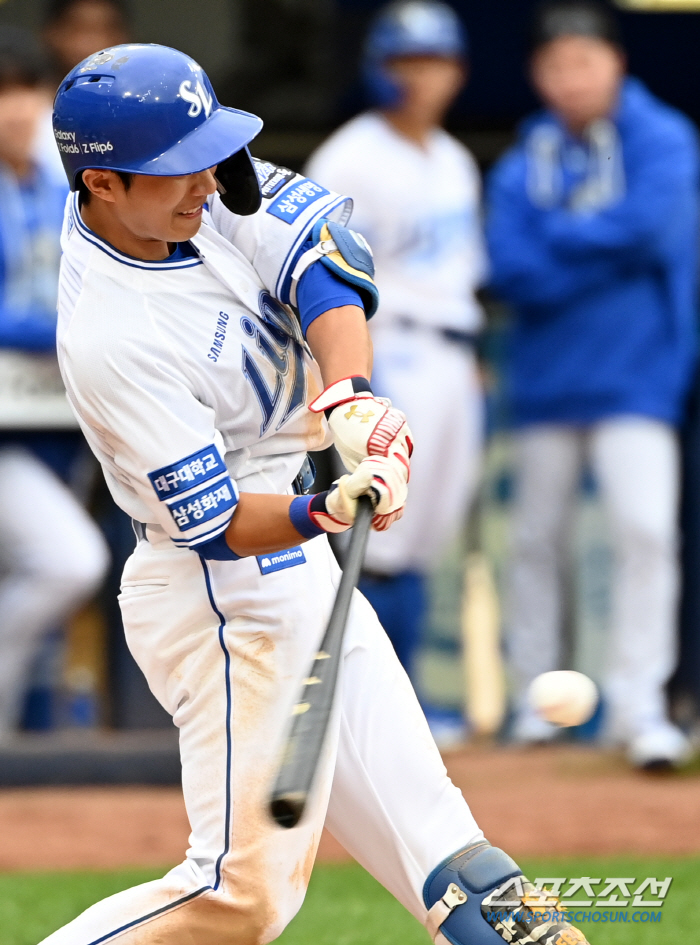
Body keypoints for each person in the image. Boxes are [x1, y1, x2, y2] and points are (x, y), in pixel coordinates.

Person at [41, 42, 590, 945]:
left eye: (208, 156)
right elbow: (217, 524)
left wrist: (349, 396)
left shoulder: (195, 189)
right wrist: (326, 507)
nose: (207, 184)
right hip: (217, 595)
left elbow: (326, 255)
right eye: (177, 171)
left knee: (454, 860)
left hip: (296, 560)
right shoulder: (112, 335)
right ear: (101, 185)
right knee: (241, 897)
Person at [486, 1, 699, 768]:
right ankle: (536, 703)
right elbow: (509, 268)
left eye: (584, 60)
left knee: (645, 533)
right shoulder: (519, 162)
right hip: (546, 378)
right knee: (536, 542)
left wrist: (563, 239)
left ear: (617, 62)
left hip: (640, 376)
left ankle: (640, 707)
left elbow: (655, 228)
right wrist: (603, 247)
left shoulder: (666, 136)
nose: (570, 77)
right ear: (536, 75)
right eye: (554, 64)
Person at [307, 1, 486, 720]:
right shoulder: (350, 154)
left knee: (425, 535)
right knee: (381, 532)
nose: (422, 78)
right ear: (379, 69)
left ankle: (399, 706)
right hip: (392, 348)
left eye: (435, 62)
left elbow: (462, 274)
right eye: (407, 62)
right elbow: (317, 272)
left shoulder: (454, 159)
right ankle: (376, 710)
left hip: (450, 351)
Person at [0, 26, 108, 737]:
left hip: (42, 420)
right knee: (69, 560)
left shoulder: (52, 184)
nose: (14, 108)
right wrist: (67, 327)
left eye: (27, 91)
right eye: (2, 93)